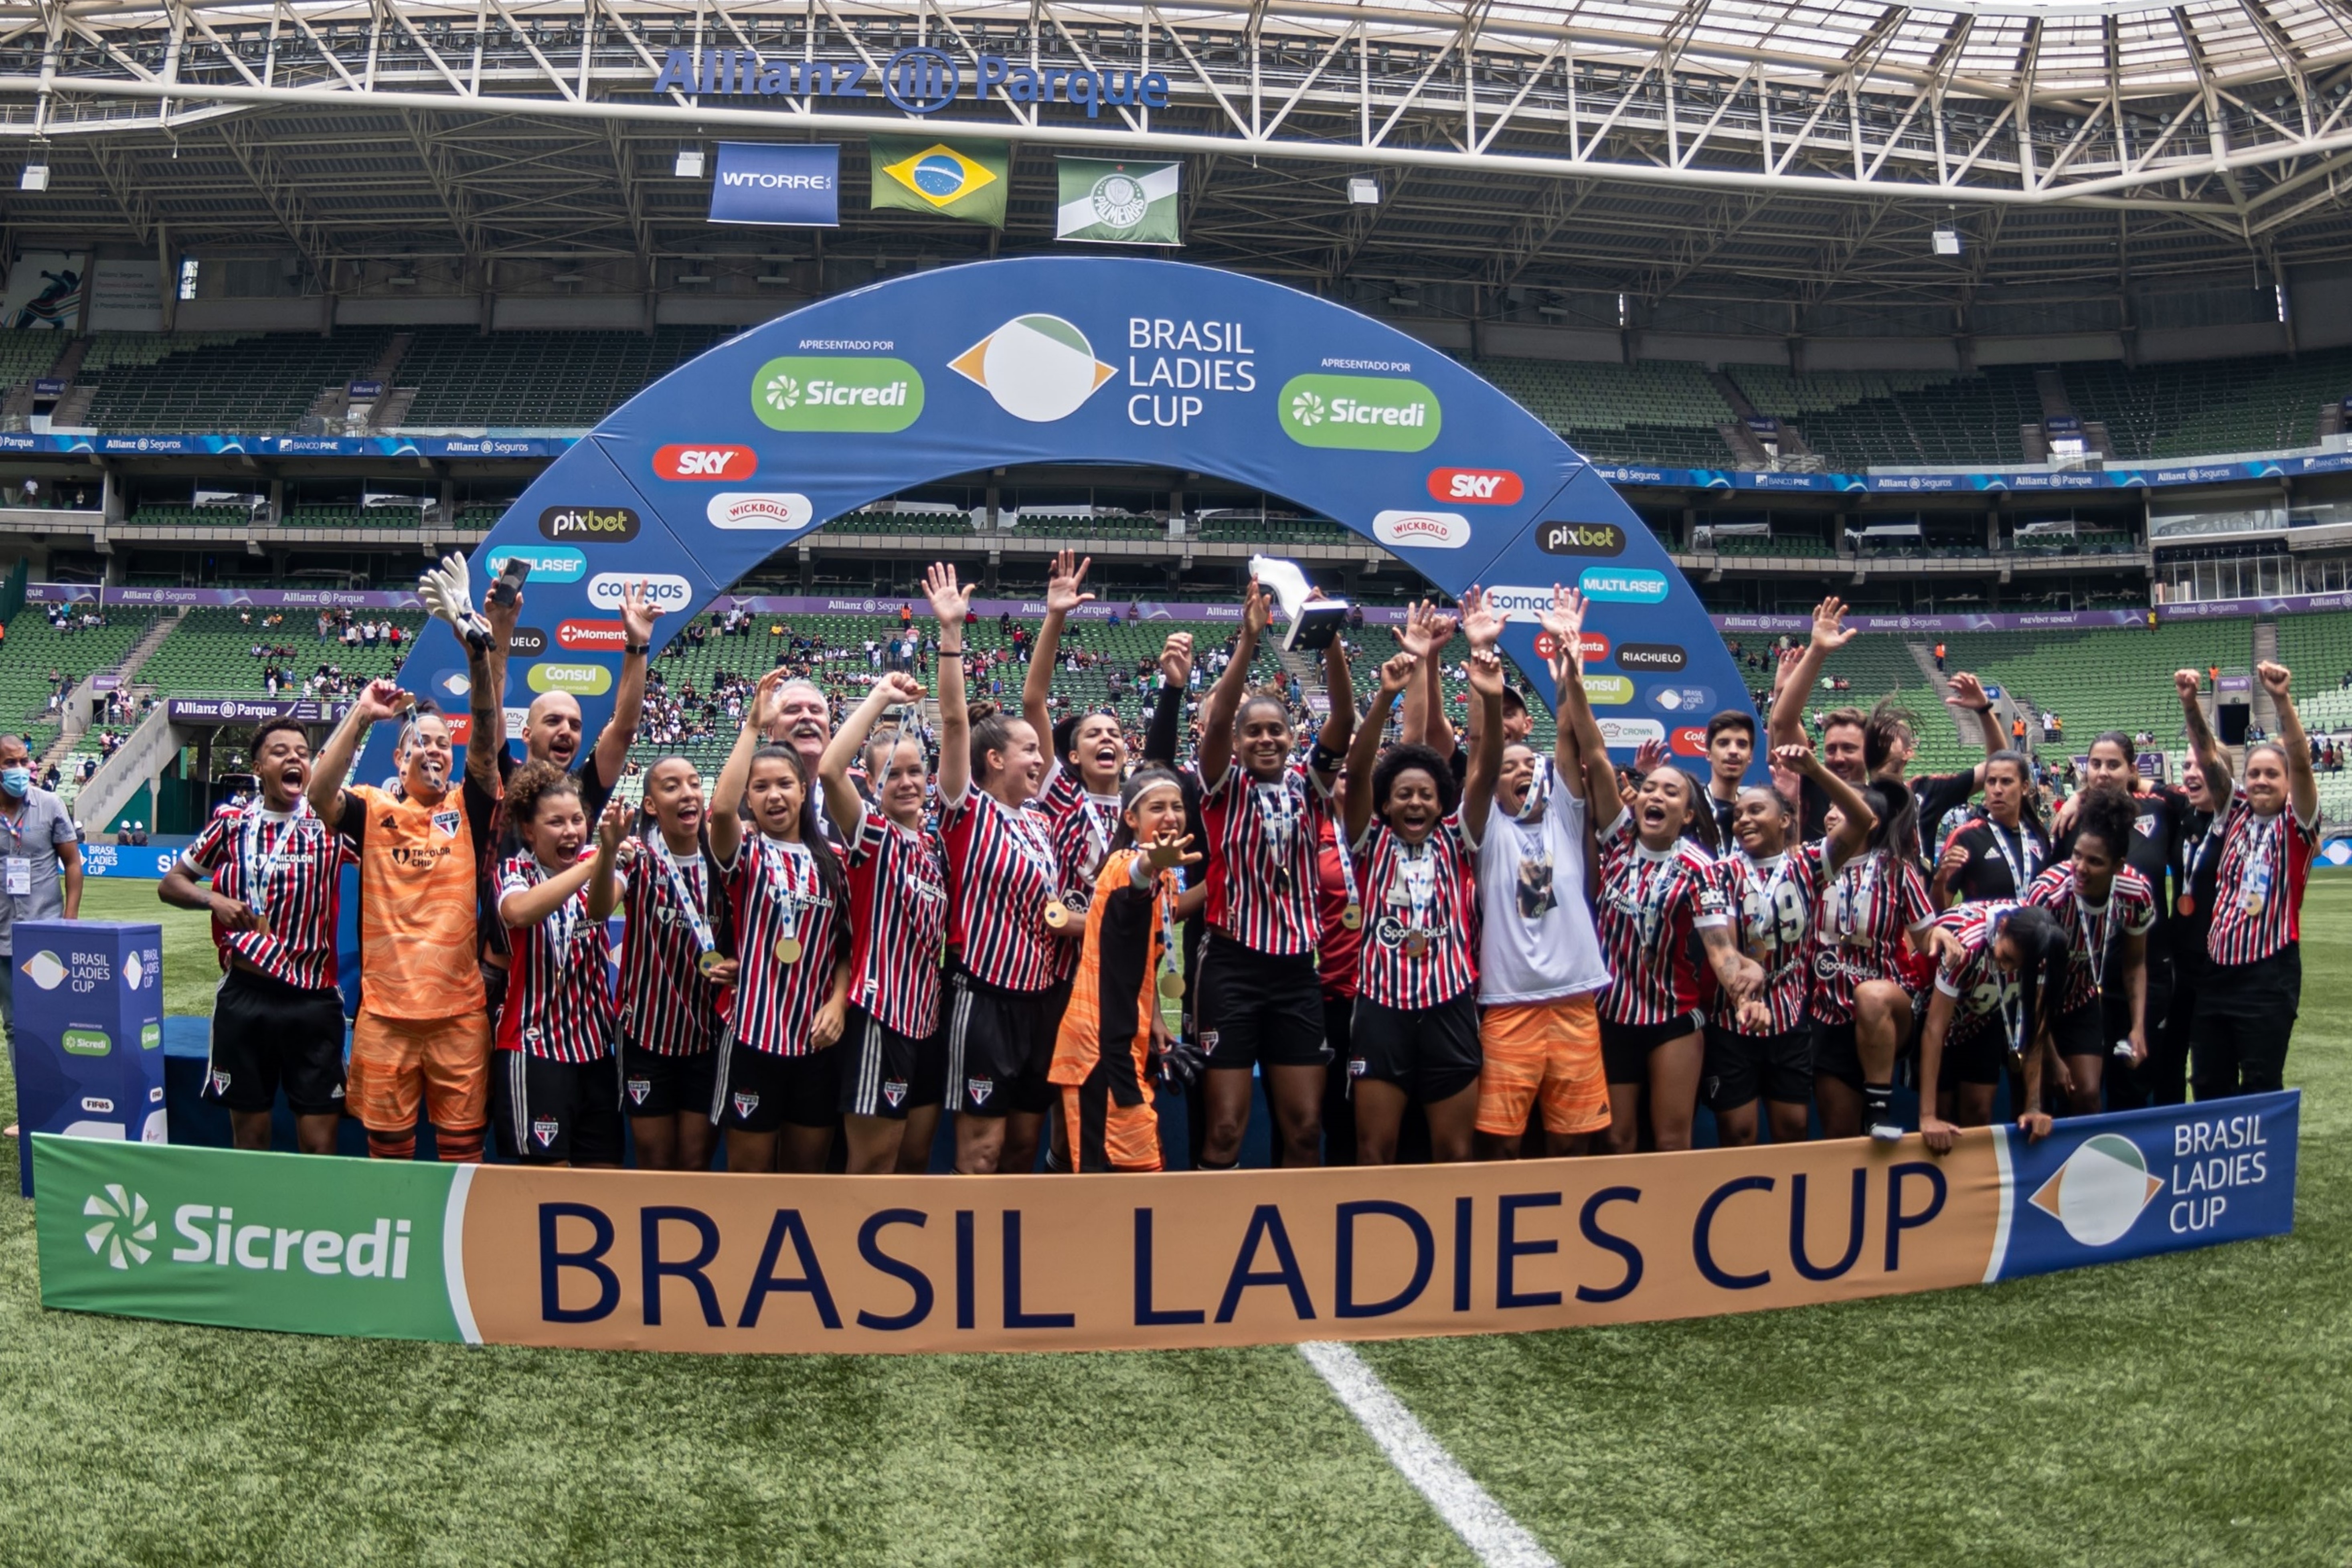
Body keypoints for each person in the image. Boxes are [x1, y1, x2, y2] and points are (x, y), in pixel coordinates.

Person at [1192, 577, 1356, 1169]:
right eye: (1252, 730)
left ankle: (1296, 1244)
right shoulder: (1221, 787)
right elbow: (1212, 727)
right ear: (1237, 742)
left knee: (1306, 1128)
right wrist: (1247, 640)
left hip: (1295, 972)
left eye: (1275, 729)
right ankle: (1216, 1243)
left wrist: (1328, 637)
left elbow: (1343, 715)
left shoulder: (1310, 786)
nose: (1265, 737)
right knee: (1227, 1127)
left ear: (1291, 738)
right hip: (1232, 966)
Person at [307, 675, 504, 1162]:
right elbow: (317, 794)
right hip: (385, 1017)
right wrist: (361, 715)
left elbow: (484, 742)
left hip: (459, 1017)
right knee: (389, 1155)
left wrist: (478, 657)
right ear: (398, 759)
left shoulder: (469, 807)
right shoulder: (373, 809)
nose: (433, 749)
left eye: (443, 743)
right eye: (420, 741)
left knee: (463, 1154)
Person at [1339, 621, 1502, 1165]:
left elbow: (1484, 773)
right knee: (1374, 1149)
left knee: (1455, 1151)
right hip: (1381, 1007)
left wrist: (1492, 702)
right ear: (1385, 804)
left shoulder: (1459, 838)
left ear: (1441, 803)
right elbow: (1360, 768)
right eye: (1403, 794)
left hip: (1449, 1004)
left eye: (1426, 795)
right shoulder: (1370, 843)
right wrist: (1385, 694)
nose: (1414, 803)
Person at [1467, 587, 1613, 1160]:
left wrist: (1568, 656)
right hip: (1508, 1005)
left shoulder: (1564, 814)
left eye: (1532, 763)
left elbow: (1572, 737)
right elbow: (1482, 753)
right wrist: (1484, 660)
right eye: (1512, 765)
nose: (1525, 769)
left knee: (1571, 1141)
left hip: (1575, 1000)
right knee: (1502, 1148)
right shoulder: (1484, 830)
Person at [929, 563, 1064, 1175]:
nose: (1040, 758)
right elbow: (954, 722)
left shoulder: (1039, 821)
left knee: (1019, 1150)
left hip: (1039, 1005)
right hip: (982, 1000)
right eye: (1029, 749)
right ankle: (968, 1267)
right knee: (980, 1154)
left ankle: (1012, 1268)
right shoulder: (967, 810)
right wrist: (952, 635)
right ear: (993, 758)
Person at [163, 719, 347, 1154]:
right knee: (250, 1139)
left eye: (302, 752)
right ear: (258, 766)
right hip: (246, 998)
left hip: (313, 999)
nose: (294, 758)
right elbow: (172, 882)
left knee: (321, 1145)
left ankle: (315, 1222)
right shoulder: (232, 824)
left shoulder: (332, 825)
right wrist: (215, 902)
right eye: (280, 751)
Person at [708, 669, 853, 1173]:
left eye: (784, 784)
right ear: (749, 796)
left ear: (802, 789)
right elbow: (720, 810)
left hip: (817, 1038)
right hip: (751, 1034)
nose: (774, 796)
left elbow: (845, 947)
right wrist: (752, 725)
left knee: (804, 1180)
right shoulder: (744, 851)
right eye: (761, 786)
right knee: (748, 1182)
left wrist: (838, 1001)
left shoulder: (834, 858)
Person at [1593, 734, 1761, 1155]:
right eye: (1649, 787)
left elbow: (1720, 949)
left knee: (1671, 1142)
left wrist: (1742, 995)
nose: (1656, 795)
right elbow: (1595, 758)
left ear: (1687, 814)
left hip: (1673, 1017)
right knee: (1617, 1139)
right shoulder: (1616, 843)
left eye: (1671, 791)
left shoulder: (1700, 868)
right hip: (1612, 1015)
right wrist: (1572, 686)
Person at [1708, 740, 1874, 1147]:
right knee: (1738, 1134)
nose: (1742, 819)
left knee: (1793, 1133)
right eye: (1739, 813)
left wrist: (1815, 770)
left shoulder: (1809, 864)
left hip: (1790, 1025)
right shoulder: (1718, 872)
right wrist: (1745, 1000)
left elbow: (1862, 817)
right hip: (1733, 1025)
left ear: (1786, 820)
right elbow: (1722, 947)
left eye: (1756, 810)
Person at [818, 670, 949, 1175]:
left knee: (914, 1162)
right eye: (893, 773)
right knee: (873, 1166)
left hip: (927, 1019)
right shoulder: (871, 834)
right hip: (881, 1015)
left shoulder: (935, 846)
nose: (907, 782)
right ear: (872, 783)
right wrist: (881, 697)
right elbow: (831, 771)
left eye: (916, 772)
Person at [2175, 662, 2318, 1099]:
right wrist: (2190, 704)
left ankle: (2264, 1169)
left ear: (2288, 783)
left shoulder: (2298, 824)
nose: (2260, 781)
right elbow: (2207, 756)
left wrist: (2280, 700)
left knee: (2259, 1085)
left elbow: (2300, 758)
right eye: (2253, 773)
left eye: (2271, 774)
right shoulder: (2232, 811)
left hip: (2268, 975)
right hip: (2216, 974)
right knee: (2207, 1084)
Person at [1048, 769, 1198, 1172]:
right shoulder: (1124, 864)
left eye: (1177, 806)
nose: (1170, 815)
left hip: (1125, 1039)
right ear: (1131, 818)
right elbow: (1133, 883)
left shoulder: (1164, 877)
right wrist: (1151, 862)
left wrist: (1153, 1023)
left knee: (1126, 1171)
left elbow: (1139, 957)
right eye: (1157, 807)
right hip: (1099, 1047)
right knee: (1124, 1176)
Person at [492, 768, 629, 1167]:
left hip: (594, 1053)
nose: (571, 831)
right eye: (556, 822)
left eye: (576, 820)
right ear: (529, 830)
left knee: (602, 1179)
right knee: (549, 1183)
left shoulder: (602, 860)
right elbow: (520, 912)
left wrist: (602, 857)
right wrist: (591, 862)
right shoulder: (513, 872)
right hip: (533, 1049)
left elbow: (602, 907)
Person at [2049, 732, 2193, 1109]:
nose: (2102, 772)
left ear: (2132, 769)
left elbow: (2191, 799)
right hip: (2082, 977)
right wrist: (2078, 798)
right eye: (2095, 764)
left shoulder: (2158, 809)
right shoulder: (2073, 818)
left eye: (2114, 765)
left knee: (2136, 1077)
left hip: (2148, 967)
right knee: (2083, 1085)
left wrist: (2137, 783)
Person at [614, 755, 735, 1173]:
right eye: (671, 786)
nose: (688, 793)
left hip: (707, 1040)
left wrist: (740, 965)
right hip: (647, 1038)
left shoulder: (725, 865)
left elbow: (757, 932)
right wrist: (611, 851)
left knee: (695, 1163)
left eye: (695, 783)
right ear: (650, 804)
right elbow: (598, 907)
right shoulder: (639, 859)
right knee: (654, 1160)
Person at [1808, 782, 1935, 1140]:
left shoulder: (1896, 870)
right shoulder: (1810, 863)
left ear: (1871, 821)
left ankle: (1881, 1108)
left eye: (1843, 807)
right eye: (1830, 805)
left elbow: (1927, 937)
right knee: (1841, 1135)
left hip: (1885, 1011)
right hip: (1828, 1013)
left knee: (1872, 995)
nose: (1832, 813)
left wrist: (1946, 938)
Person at [2024, 783, 2156, 1118]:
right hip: (2032, 999)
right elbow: (2029, 983)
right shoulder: (2049, 896)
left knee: (2086, 1096)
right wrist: (2051, 1056)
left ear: (2118, 865)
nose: (2080, 868)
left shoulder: (2135, 894)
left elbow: (2135, 962)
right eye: (2077, 856)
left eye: (2095, 861)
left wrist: (2138, 1028)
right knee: (2035, 1099)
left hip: (2080, 998)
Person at [1915, 901, 2071, 1152]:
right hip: (1934, 1011)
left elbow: (2034, 1024)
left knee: (1979, 1110)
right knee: (1942, 1112)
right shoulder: (1967, 944)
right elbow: (1934, 1029)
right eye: (2007, 958)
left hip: (1983, 1016)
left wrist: (2033, 1107)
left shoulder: (2040, 947)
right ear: (2002, 926)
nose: (2007, 969)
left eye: (2018, 967)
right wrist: (1928, 1117)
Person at [0, 732, 82, 1070]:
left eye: (23, 761)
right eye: (10, 763)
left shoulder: (50, 804)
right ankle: (29, 1111)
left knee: (52, 1021)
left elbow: (73, 864)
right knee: (15, 1026)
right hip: (3, 938)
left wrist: (70, 920)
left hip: (46, 931)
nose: (21, 769)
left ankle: (60, 1103)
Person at [1931, 751, 2048, 905]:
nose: (1997, 790)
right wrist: (1939, 880)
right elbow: (1938, 911)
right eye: (1991, 782)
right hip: (1984, 928)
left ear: (2025, 788)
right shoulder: (1965, 837)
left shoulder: (2037, 834)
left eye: (2006, 782)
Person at [1700, 709, 1754, 846]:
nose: (1733, 751)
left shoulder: (1754, 816)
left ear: (1750, 757)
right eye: (1723, 743)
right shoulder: (1690, 807)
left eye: (1742, 745)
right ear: (1708, 754)